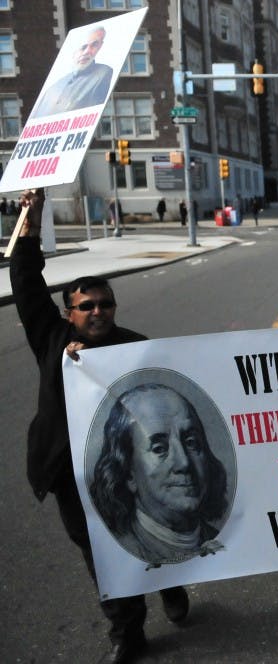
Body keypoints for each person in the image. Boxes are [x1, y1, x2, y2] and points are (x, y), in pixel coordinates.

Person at [9, 190, 190, 664]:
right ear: (68, 313)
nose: (97, 312)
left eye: (105, 304)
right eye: (85, 305)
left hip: (130, 469)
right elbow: (25, 283)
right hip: (72, 472)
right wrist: (32, 220)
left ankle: (169, 582)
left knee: (147, 536)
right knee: (100, 554)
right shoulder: (53, 341)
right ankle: (128, 633)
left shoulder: (136, 347)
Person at [89, 383, 229, 565]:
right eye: (159, 448)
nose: (184, 462)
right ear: (128, 472)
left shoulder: (224, 540)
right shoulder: (120, 556)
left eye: (191, 442)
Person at [31, 26, 113, 118]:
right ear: (73, 50)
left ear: (100, 46)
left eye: (94, 45)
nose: (87, 51)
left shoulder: (104, 73)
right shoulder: (53, 87)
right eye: (83, 47)